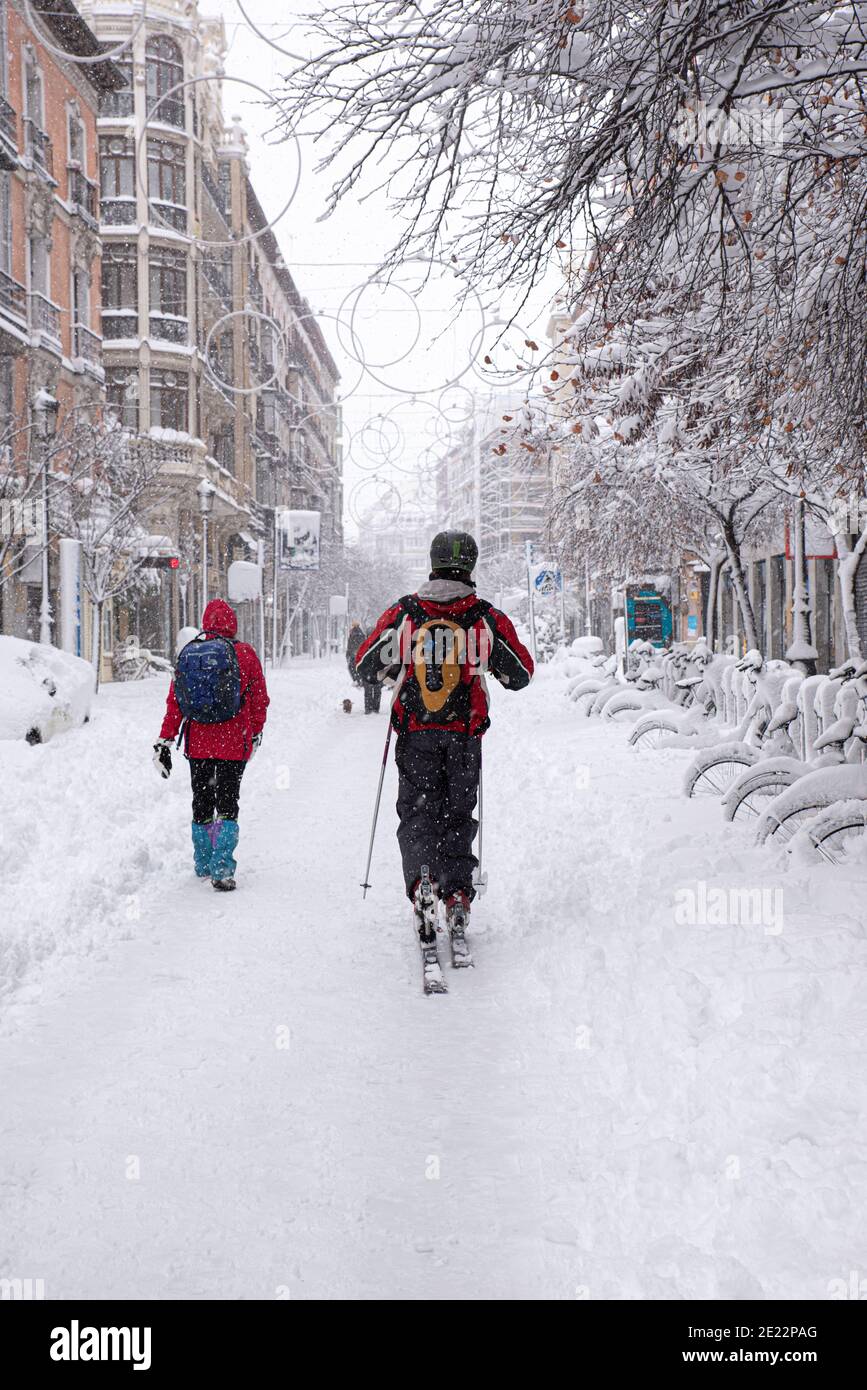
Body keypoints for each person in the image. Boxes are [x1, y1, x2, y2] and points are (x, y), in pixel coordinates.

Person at [355, 530, 533, 976]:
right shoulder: (483, 617)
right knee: (457, 814)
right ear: (471, 566)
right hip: (464, 736)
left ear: (431, 563)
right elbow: (521, 673)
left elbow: (363, 665)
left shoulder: (405, 612)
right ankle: (456, 894)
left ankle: (422, 883)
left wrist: (397, 665)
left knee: (417, 814)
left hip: (415, 734)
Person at [153, 598, 269, 892]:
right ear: (233, 624)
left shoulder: (190, 654)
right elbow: (259, 700)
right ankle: (222, 868)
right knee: (228, 803)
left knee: (202, 800)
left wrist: (165, 738)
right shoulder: (244, 654)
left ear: (205, 623)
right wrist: (255, 733)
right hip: (233, 743)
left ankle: (203, 861)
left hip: (198, 744)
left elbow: (175, 702)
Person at [347, 620, 382, 714]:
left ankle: (369, 708)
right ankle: (375, 708)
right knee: (375, 690)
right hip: (376, 671)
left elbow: (358, 659)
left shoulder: (364, 644)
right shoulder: (379, 643)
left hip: (368, 672)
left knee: (369, 691)